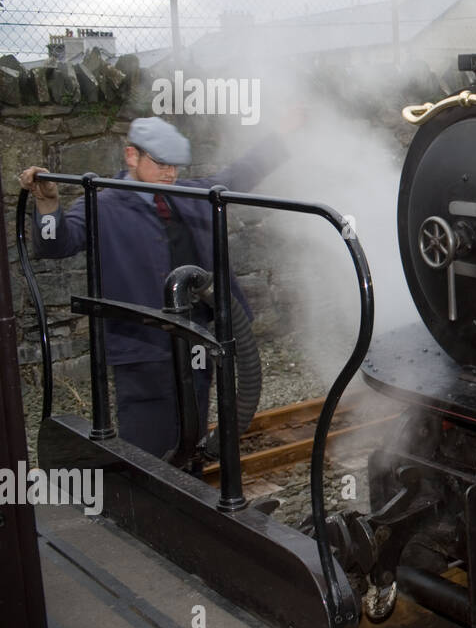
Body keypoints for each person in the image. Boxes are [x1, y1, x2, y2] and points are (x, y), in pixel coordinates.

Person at [19, 116, 288, 458]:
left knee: (193, 437)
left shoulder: (188, 195)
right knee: (148, 449)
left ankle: (195, 491)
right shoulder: (102, 204)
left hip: (196, 342)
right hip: (143, 350)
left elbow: (235, 175)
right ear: (132, 156)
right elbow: (56, 244)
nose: (170, 174)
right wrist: (47, 204)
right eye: (160, 163)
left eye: (175, 166)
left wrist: (283, 134)